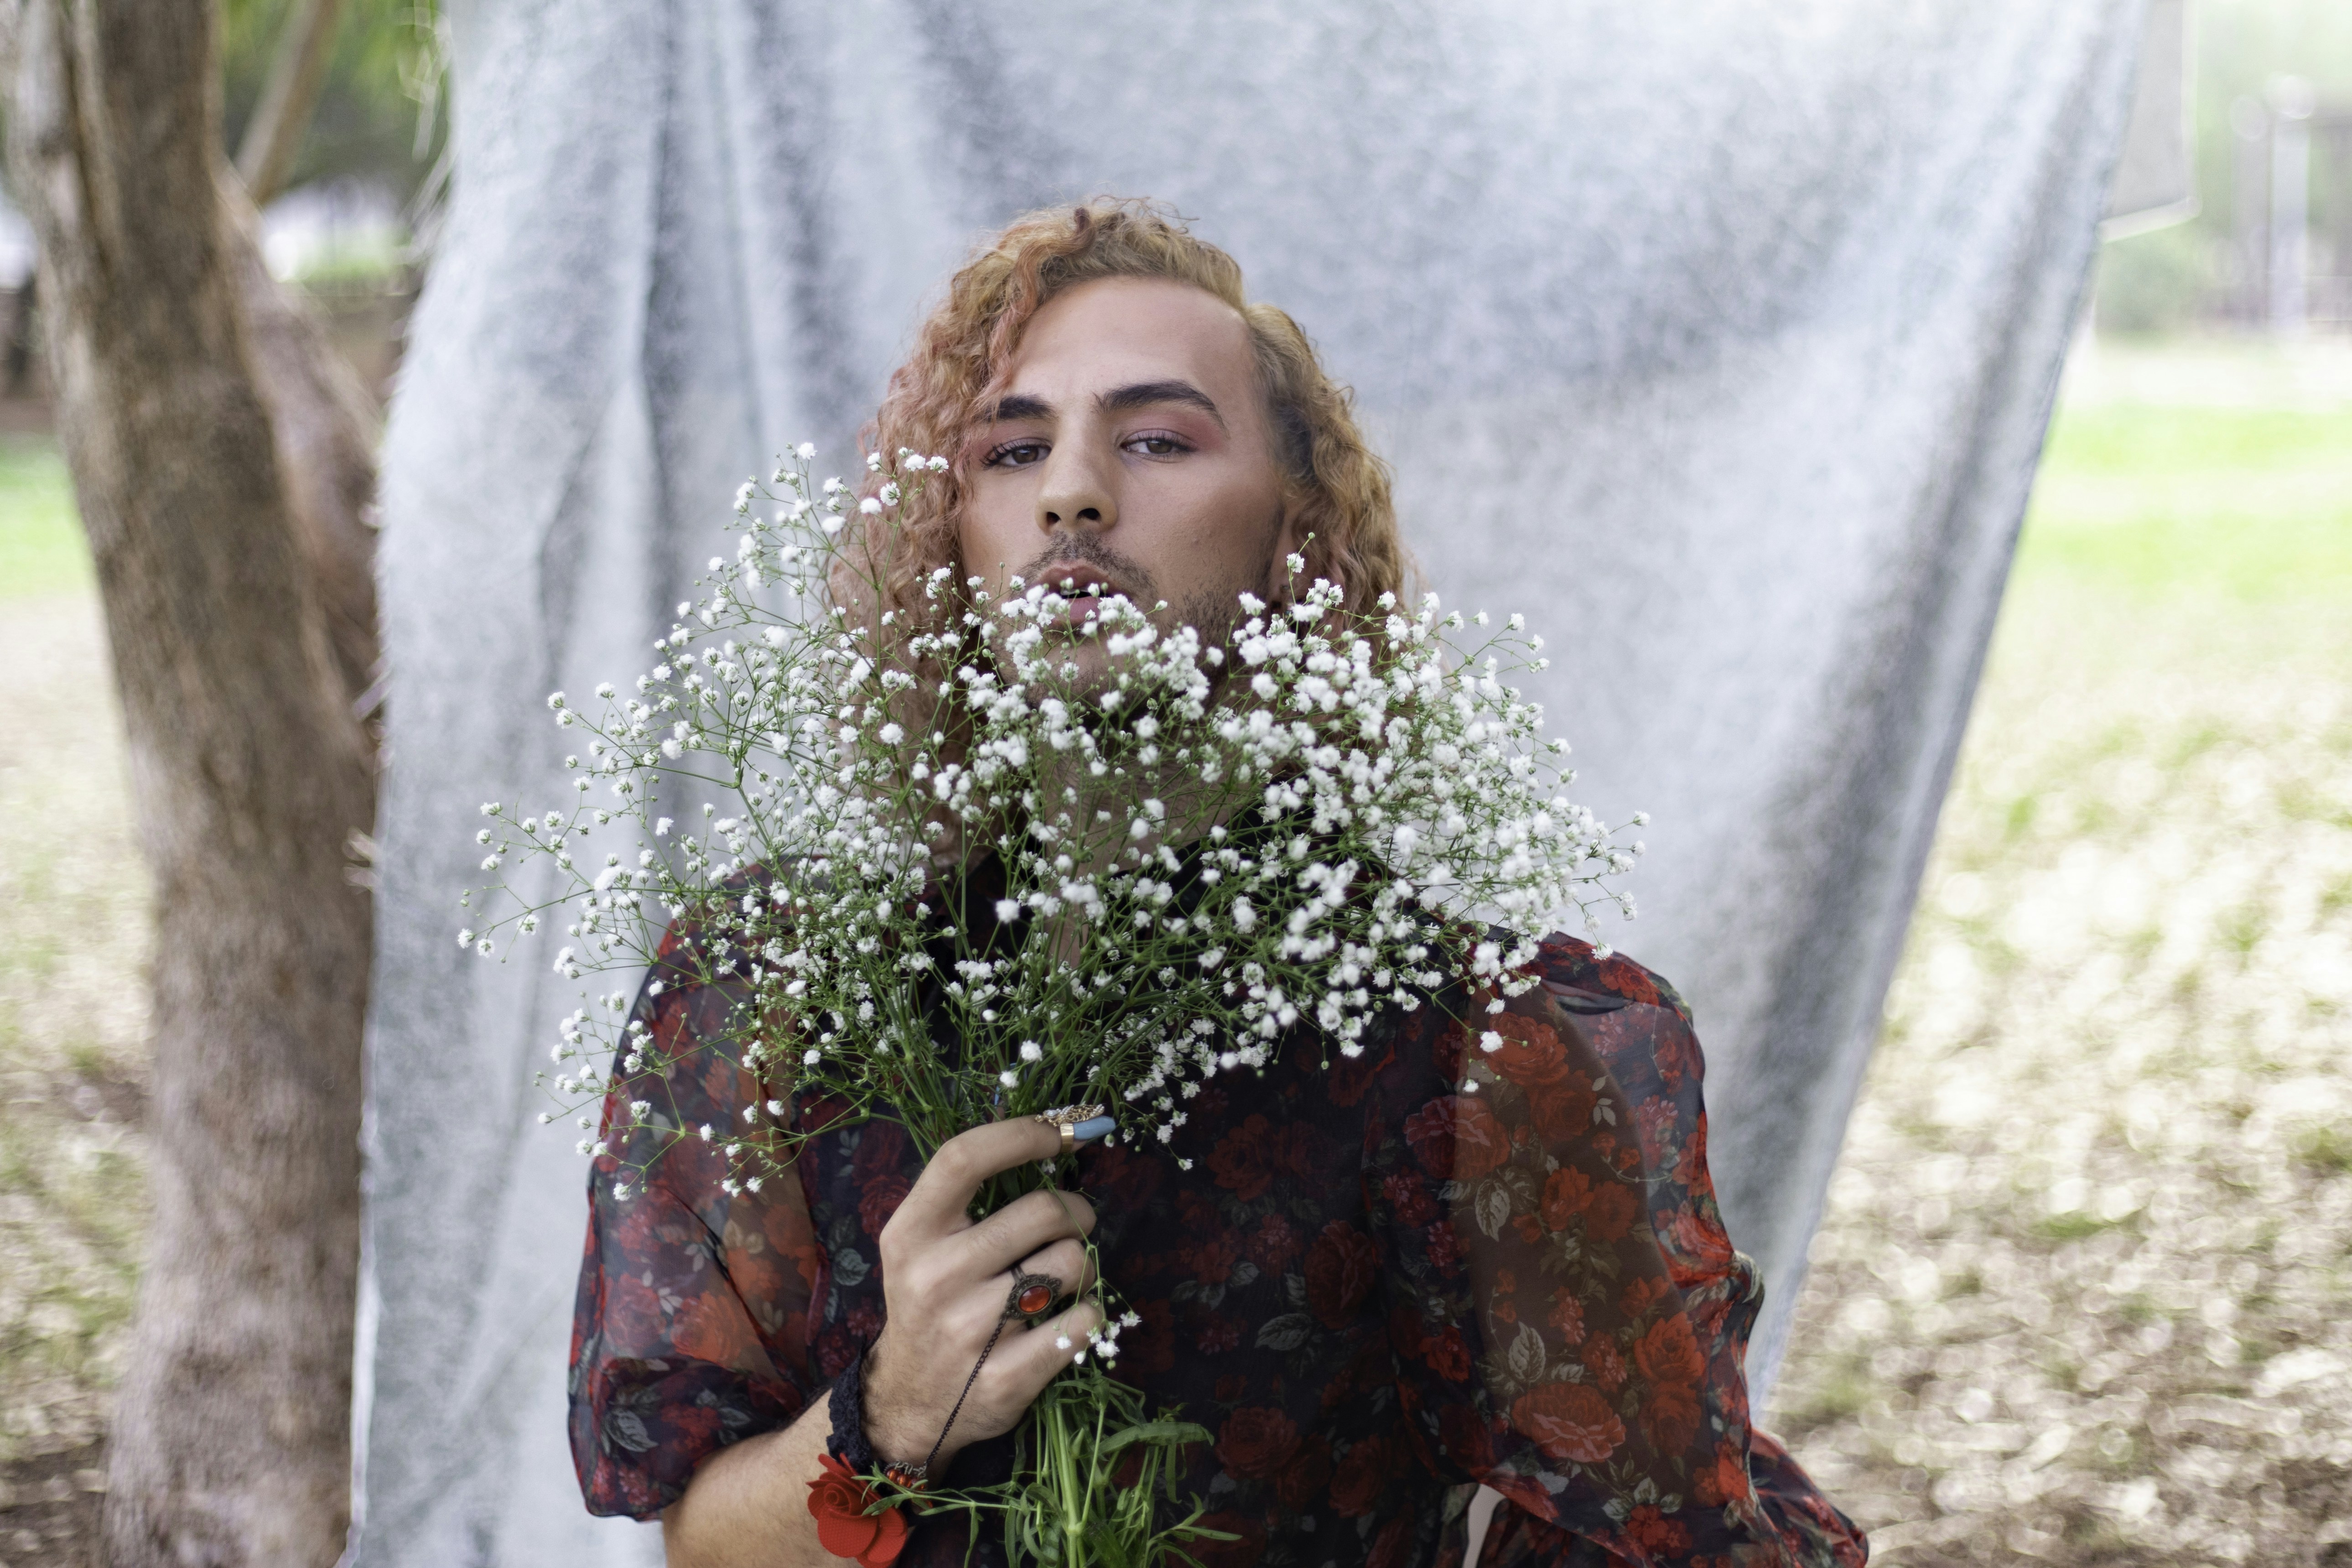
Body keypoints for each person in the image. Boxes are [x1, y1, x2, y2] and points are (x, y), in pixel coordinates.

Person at [568, 199, 1867, 1568]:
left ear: (1296, 537)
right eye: (1014, 448)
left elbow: (1654, 1532)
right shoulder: (772, 987)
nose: (1072, 491)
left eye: (1154, 439)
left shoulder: (1482, 1047)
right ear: (954, 537)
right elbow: (701, 1542)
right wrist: (888, 1415)